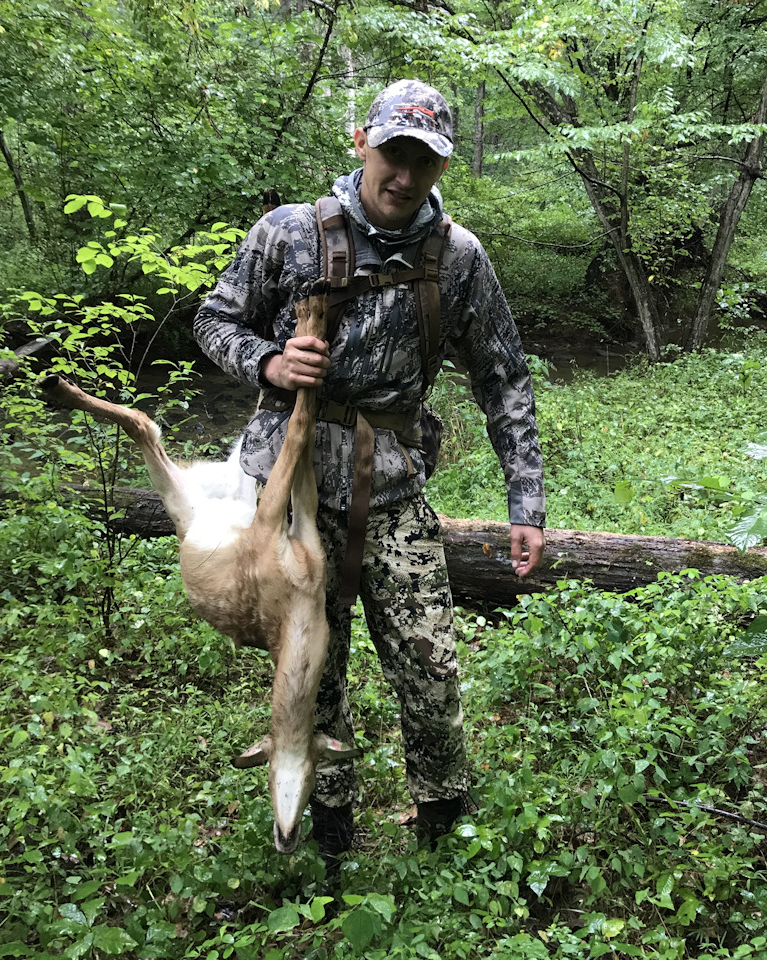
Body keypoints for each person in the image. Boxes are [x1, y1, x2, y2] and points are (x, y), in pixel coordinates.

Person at [193, 79, 545, 877]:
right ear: (362, 142)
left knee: (429, 662)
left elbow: (504, 379)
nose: (405, 176)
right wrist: (272, 361)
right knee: (311, 668)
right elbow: (213, 321)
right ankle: (331, 827)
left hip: (392, 490)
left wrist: (526, 504)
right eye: (394, 153)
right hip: (289, 497)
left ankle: (445, 816)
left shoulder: (457, 257)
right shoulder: (288, 234)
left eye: (425, 160)